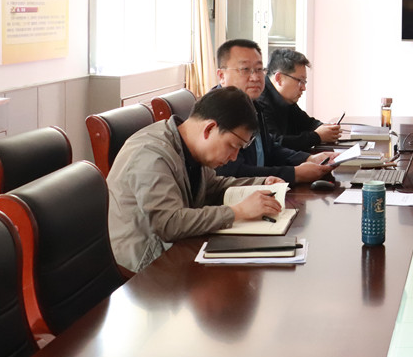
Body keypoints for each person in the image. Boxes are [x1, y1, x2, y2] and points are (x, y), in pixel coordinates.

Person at [107, 87, 284, 273]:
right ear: (209, 128)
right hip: (144, 269)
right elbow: (169, 223)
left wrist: (262, 184)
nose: (234, 157)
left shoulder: (188, 147)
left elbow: (214, 186)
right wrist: (238, 211)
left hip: (174, 250)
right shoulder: (151, 154)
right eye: (233, 146)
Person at [214, 39, 333, 183]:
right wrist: (294, 174)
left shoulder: (252, 104)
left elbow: (270, 149)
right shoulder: (217, 111)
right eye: (245, 69)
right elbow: (234, 173)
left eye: (259, 69)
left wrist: (309, 158)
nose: (255, 77)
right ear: (221, 76)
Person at [256, 48, 342, 152]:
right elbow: (275, 143)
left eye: (304, 82)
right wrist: (317, 136)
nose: (303, 88)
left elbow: (307, 123)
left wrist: (326, 128)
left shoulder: (286, 99)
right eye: (300, 81)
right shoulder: (260, 102)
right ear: (279, 78)